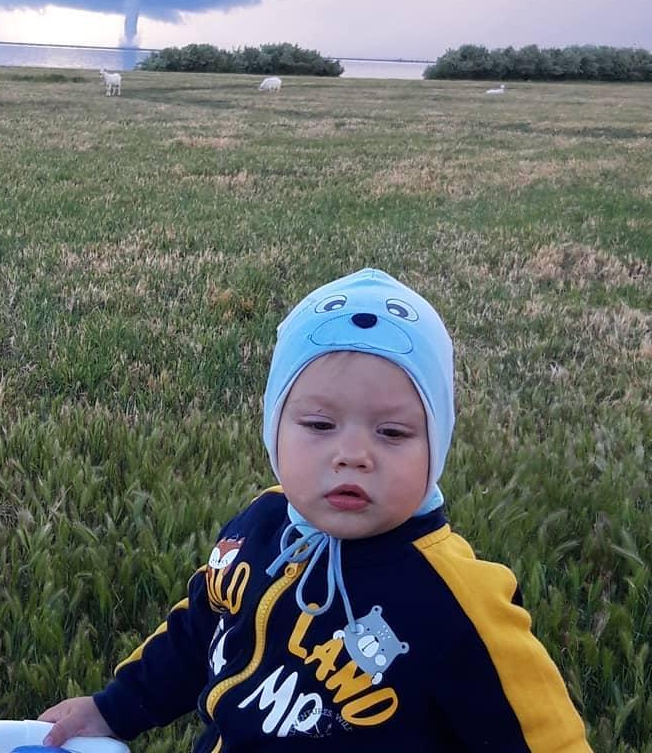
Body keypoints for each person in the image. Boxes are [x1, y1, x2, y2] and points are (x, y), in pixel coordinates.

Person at [39, 268, 590, 750]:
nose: (352, 455)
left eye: (393, 432)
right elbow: (196, 635)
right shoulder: (261, 526)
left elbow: (546, 738)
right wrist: (111, 710)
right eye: (320, 425)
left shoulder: (457, 602)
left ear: (437, 444)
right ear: (273, 428)